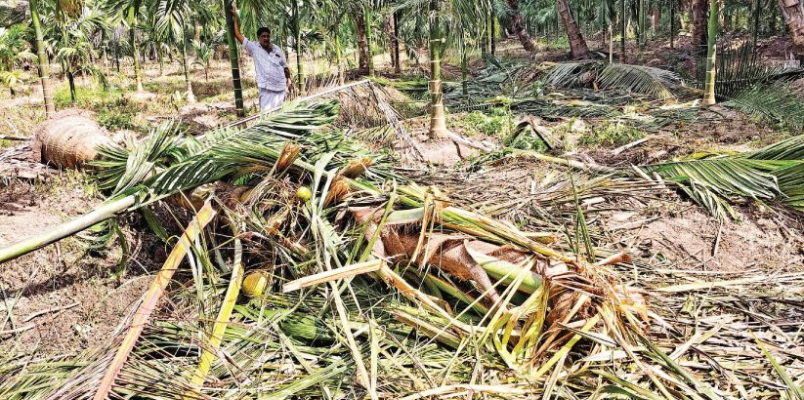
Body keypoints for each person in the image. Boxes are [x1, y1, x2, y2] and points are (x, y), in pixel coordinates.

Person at [231, 6, 292, 111]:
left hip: (280, 88)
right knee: (267, 115)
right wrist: (236, 17)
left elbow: (284, 66)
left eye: (268, 36)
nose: (266, 38)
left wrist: (289, 81)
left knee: (281, 115)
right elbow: (237, 35)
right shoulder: (254, 48)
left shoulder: (276, 49)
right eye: (263, 36)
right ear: (258, 38)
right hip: (266, 90)